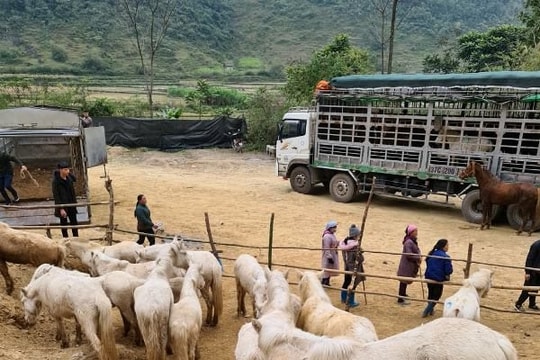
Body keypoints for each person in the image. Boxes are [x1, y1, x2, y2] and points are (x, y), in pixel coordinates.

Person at [422, 239, 453, 317]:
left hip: (428, 276)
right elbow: (448, 270)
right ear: (443, 246)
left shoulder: (431, 253)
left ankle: (430, 310)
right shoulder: (446, 257)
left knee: (431, 293)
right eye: (447, 245)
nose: (448, 247)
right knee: (436, 296)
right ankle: (427, 310)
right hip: (438, 278)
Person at [338, 224, 365, 308]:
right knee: (352, 284)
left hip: (346, 267)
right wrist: (360, 253)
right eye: (358, 235)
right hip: (353, 268)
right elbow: (359, 259)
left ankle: (343, 298)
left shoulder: (345, 244)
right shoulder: (354, 246)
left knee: (346, 282)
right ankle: (351, 301)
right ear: (355, 236)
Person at [52, 161, 78, 237]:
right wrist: (61, 208)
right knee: (64, 224)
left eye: (68, 169)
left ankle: (76, 238)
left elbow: (75, 179)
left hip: (71, 203)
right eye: (65, 170)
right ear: (60, 170)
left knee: (74, 223)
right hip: (63, 205)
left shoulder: (69, 178)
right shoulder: (56, 181)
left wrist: (68, 173)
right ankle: (65, 239)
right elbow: (56, 195)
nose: (67, 171)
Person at [396, 224, 421, 305]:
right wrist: (418, 257)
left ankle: (403, 294)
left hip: (409, 265)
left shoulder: (412, 241)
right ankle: (400, 299)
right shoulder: (409, 242)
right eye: (415, 231)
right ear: (411, 232)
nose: (417, 232)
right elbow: (409, 254)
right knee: (403, 281)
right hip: (407, 265)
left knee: (405, 280)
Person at [514, 239, 540, 312]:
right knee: (528, 289)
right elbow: (529, 259)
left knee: (535, 288)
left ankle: (532, 304)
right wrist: (527, 272)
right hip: (533, 271)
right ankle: (518, 304)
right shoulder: (536, 245)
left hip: (538, 272)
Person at [321, 220, 339, 286]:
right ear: (330, 228)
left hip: (333, 254)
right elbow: (326, 247)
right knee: (326, 268)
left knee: (330, 268)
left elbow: (333, 243)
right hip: (328, 255)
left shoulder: (331, 235)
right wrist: (329, 257)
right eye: (334, 228)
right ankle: (323, 282)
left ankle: (327, 282)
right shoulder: (327, 236)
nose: (335, 229)